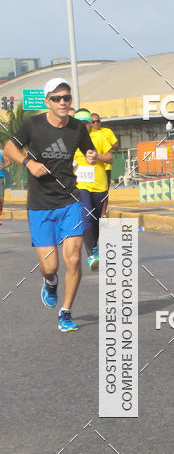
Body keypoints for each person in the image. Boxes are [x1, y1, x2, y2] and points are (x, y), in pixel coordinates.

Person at [3, 78, 98, 331]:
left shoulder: (77, 128)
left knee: (74, 259)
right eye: (57, 98)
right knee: (50, 266)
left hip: (70, 200)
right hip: (40, 204)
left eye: (66, 97)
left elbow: (90, 152)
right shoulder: (32, 125)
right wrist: (28, 163)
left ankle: (65, 312)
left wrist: (92, 156)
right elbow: (9, 148)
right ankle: (51, 282)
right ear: (48, 102)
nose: (63, 102)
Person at [73, 108, 115, 270]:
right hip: (81, 185)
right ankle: (91, 254)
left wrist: (97, 156)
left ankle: (94, 246)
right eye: (80, 123)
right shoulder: (71, 138)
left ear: (91, 124)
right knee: (87, 215)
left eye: (86, 123)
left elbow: (110, 158)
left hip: (99, 184)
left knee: (96, 218)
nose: (84, 126)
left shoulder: (99, 136)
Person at [90, 113, 118, 195]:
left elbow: (116, 147)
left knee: (105, 192)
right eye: (93, 122)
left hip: (106, 167)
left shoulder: (107, 131)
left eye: (98, 121)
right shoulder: (87, 133)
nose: (96, 123)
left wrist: (106, 144)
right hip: (91, 167)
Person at [0, 146, 5, 226]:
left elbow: (9, 162)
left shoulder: (1, 152)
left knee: (1, 200)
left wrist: (2, 166)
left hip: (0, 177)